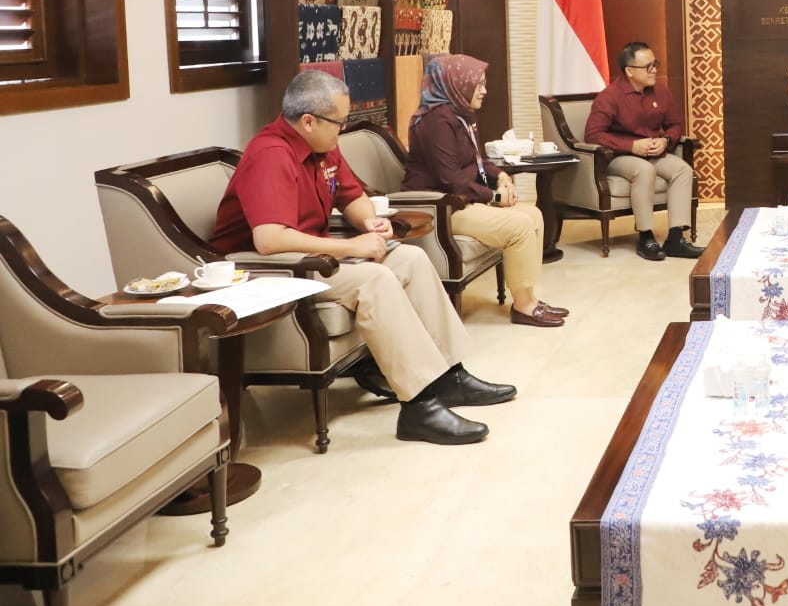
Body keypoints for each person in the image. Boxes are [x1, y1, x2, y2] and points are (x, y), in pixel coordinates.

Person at [212, 70, 516, 446]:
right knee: (377, 279)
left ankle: (449, 376)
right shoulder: (271, 154)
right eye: (339, 122)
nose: (342, 130)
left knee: (410, 260)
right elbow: (271, 239)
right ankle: (419, 407)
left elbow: (350, 196)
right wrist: (354, 247)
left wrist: (371, 223)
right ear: (308, 121)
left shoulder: (323, 146)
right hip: (270, 272)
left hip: (312, 257)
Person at [402, 54, 569, 328]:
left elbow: (478, 161)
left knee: (533, 215)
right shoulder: (437, 121)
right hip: (440, 208)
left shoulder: (460, 115)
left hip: (463, 200)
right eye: (478, 85)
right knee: (518, 225)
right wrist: (493, 196)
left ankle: (528, 298)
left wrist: (501, 176)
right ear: (457, 85)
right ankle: (524, 307)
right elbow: (451, 178)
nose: (484, 91)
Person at [584, 41, 703, 261]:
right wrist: (630, 146)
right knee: (644, 170)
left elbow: (675, 124)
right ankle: (646, 237)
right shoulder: (610, 96)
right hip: (619, 157)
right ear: (630, 71)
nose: (654, 70)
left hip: (653, 152)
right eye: (647, 66)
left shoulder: (660, 91)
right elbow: (593, 135)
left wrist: (667, 140)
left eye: (655, 64)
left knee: (683, 170)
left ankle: (676, 238)